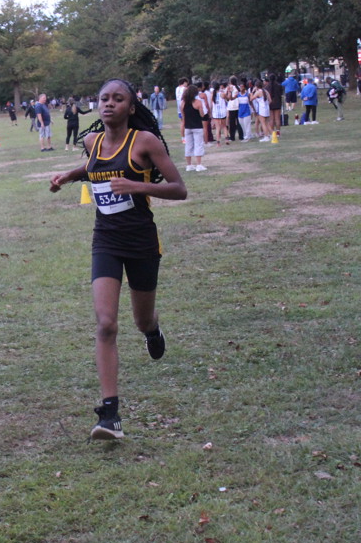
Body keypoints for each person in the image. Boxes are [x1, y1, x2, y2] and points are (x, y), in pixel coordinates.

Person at [48, 78, 186, 441]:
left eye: (118, 99)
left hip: (141, 243)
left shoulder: (145, 142)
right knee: (106, 323)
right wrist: (68, 176)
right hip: (106, 241)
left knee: (141, 319)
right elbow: (95, 169)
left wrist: (137, 185)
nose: (109, 104)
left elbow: (179, 189)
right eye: (104, 98)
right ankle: (110, 414)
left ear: (130, 107)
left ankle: (152, 330)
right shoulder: (91, 141)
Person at [182, 85, 208, 171]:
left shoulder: (183, 103)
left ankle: (189, 165)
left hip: (187, 127)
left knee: (188, 146)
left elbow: (183, 116)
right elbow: (202, 114)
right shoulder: (198, 102)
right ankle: (199, 165)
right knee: (198, 145)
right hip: (197, 126)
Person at [210, 81, 228, 145]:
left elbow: (211, 104)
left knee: (217, 128)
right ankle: (226, 139)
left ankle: (218, 142)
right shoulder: (222, 94)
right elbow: (227, 99)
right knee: (224, 126)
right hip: (222, 112)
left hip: (215, 113)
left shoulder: (212, 95)